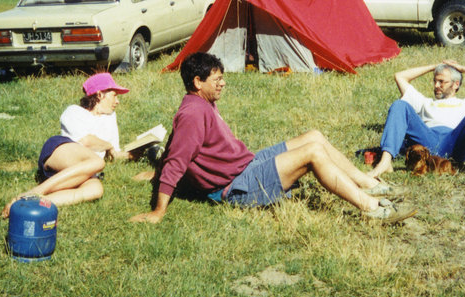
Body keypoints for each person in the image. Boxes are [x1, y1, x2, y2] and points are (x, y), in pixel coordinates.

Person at [129, 52, 399, 224]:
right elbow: (178, 159)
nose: (223, 83)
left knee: (314, 137)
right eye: (217, 79)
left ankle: (367, 183)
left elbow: (176, 146)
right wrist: (158, 211)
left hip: (246, 165)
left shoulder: (199, 103)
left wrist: (155, 172)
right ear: (198, 82)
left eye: (222, 77)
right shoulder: (193, 113)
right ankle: (372, 208)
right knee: (313, 154)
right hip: (236, 187)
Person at [368, 59, 465, 190]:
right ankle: (385, 162)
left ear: (456, 84)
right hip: (428, 143)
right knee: (400, 105)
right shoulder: (425, 102)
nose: (436, 85)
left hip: (455, 143)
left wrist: (461, 68)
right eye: (435, 81)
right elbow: (400, 76)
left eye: (442, 82)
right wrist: (434, 66)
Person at [1, 73, 130, 218]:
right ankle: (36, 191)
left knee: (95, 189)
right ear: (100, 95)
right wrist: (108, 145)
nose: (117, 101)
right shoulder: (74, 111)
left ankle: (32, 203)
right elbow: (86, 141)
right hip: (60, 150)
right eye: (114, 95)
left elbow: (115, 153)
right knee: (97, 162)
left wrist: (137, 152)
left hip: (83, 168)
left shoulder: (110, 117)